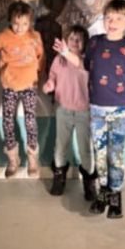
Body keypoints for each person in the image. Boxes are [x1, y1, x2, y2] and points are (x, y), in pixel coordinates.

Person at [54, 0, 125, 219]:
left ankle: (116, 196)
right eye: (108, 18)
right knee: (100, 154)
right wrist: (66, 53)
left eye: (118, 18)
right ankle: (103, 192)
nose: (112, 22)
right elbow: (84, 65)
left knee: (116, 155)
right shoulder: (94, 43)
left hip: (121, 110)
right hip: (96, 109)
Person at [0, 0, 45, 178]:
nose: (20, 28)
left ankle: (33, 159)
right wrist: (0, 72)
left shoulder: (35, 36)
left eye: (25, 24)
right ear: (10, 21)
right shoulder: (2, 37)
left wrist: (37, 74)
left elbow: (41, 56)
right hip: (10, 85)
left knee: (30, 121)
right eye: (16, 23)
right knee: (7, 121)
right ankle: (13, 159)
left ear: (30, 22)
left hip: (29, 85)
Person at [43, 24, 97, 200]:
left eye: (79, 39)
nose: (75, 42)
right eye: (72, 38)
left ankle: (89, 181)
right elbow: (52, 77)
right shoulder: (59, 60)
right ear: (66, 41)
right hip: (63, 110)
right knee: (61, 146)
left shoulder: (87, 61)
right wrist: (50, 84)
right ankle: (59, 177)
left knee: (85, 149)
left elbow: (86, 71)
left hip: (84, 112)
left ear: (85, 43)